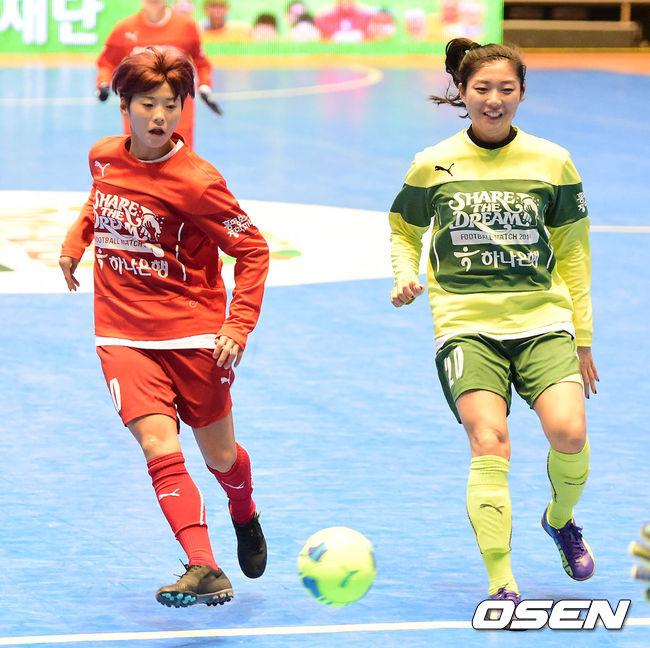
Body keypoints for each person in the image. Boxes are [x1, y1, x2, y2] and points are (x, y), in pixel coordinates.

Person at [389, 38, 599, 611]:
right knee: (489, 440)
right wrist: (405, 274)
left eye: (506, 88)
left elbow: (574, 252)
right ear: (462, 92)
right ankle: (501, 581)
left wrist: (582, 337)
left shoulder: (552, 161)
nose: (494, 99)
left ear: (522, 92)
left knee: (570, 434)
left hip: (542, 320)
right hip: (466, 325)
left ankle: (560, 519)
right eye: (481, 88)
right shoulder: (433, 163)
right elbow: (403, 228)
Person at [60, 46, 269, 607]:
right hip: (121, 333)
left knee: (220, 457)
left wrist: (238, 326)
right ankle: (204, 565)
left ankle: (243, 510)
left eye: (171, 105)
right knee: (158, 445)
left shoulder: (197, 181)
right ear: (124, 106)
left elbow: (252, 249)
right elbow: (100, 200)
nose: (159, 116)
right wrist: (76, 241)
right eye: (148, 104)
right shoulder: (103, 157)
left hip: (194, 335)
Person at [96, 0, 221, 149]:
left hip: (177, 109)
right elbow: (107, 62)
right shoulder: (124, 28)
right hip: (139, 110)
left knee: (179, 156)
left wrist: (205, 86)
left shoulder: (186, 26)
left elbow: (202, 63)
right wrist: (103, 84)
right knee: (139, 157)